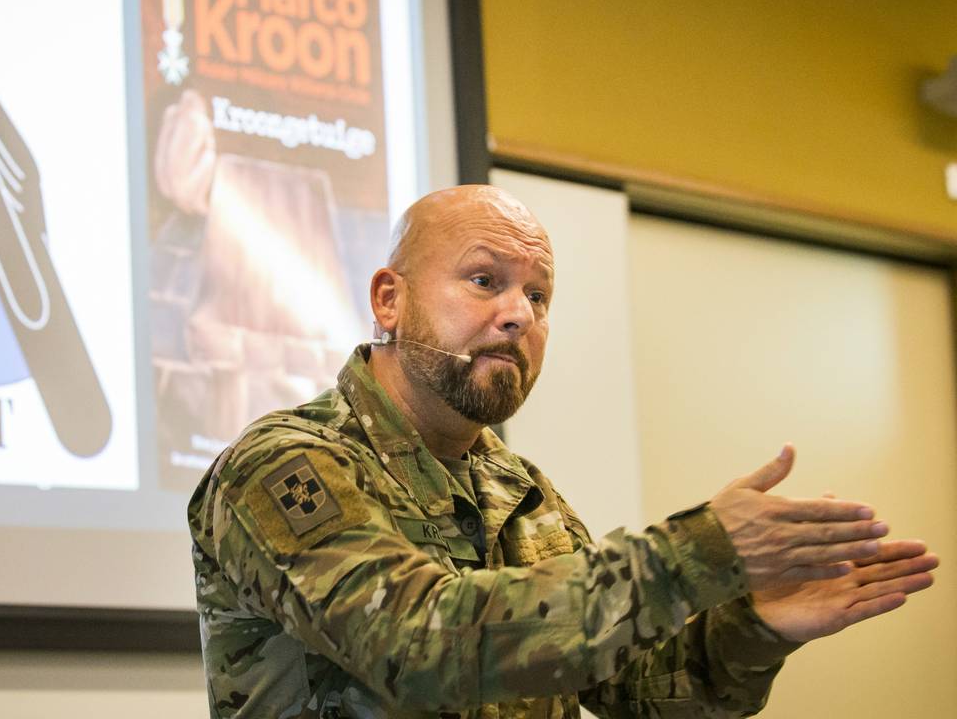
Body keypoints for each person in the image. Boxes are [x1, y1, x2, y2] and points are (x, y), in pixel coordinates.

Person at [187, 185, 939, 718]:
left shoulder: (521, 492)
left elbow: (636, 695)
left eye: (539, 297)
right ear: (391, 299)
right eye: (485, 281)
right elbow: (415, 642)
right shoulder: (282, 465)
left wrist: (754, 625)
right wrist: (694, 551)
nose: (518, 314)